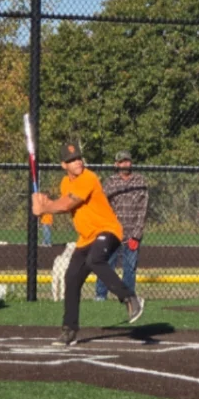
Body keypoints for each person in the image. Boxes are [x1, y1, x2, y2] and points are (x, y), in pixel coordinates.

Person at [31, 141, 144, 346]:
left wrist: (44, 207)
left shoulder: (88, 177)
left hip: (107, 230)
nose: (77, 162)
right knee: (72, 278)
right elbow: (63, 205)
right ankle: (69, 329)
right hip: (86, 238)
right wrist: (45, 204)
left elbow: (68, 203)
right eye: (71, 160)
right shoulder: (65, 183)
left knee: (95, 260)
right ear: (63, 165)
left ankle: (129, 297)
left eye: (78, 158)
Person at [95, 149, 149, 302]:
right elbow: (102, 205)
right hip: (112, 233)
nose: (125, 164)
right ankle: (100, 296)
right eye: (122, 162)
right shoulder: (110, 182)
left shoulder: (140, 182)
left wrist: (136, 235)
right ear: (116, 164)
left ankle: (127, 297)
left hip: (131, 234)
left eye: (127, 161)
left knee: (129, 268)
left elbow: (143, 210)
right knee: (106, 265)